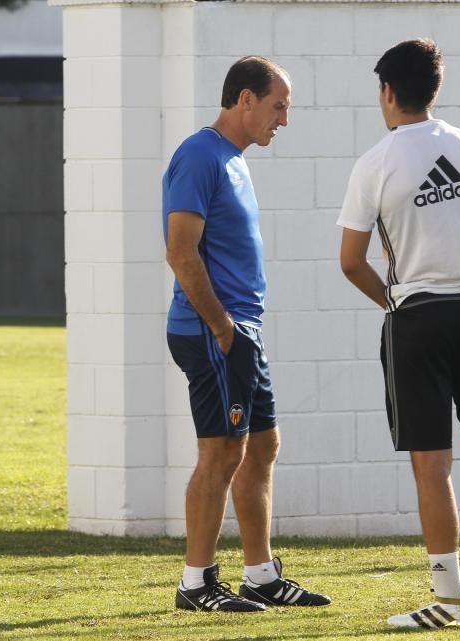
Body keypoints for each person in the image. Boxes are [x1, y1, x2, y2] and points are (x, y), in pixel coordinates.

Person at [337, 39, 460, 629]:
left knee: (432, 462)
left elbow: (350, 261)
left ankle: (450, 601)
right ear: (435, 89)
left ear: (388, 92)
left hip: (417, 319)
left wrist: (396, 301)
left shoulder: (375, 162)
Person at [163, 56, 331, 613]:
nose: (283, 119)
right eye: (278, 106)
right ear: (245, 100)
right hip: (213, 332)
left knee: (262, 445)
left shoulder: (235, 160)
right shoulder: (199, 155)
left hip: (239, 333)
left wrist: (239, 333)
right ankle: (196, 583)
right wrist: (223, 329)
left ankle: (260, 575)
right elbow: (180, 252)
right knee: (222, 452)